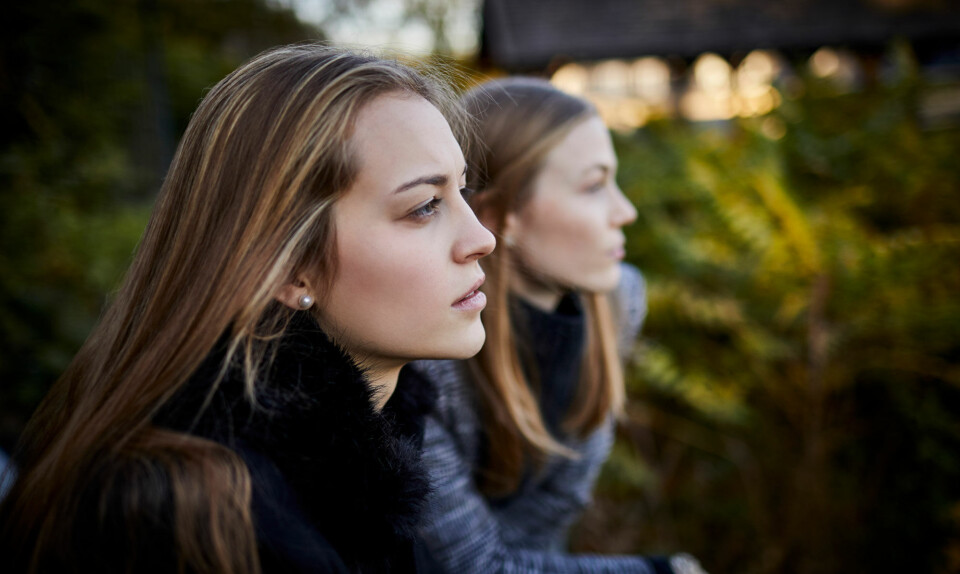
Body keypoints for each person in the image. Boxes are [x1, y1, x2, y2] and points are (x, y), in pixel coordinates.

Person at [0, 44, 495, 574]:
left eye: (463, 191)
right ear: (287, 266)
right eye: (424, 206)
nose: (481, 238)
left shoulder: (367, 447)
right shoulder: (193, 514)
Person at [414, 78, 704, 574]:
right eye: (594, 186)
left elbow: (556, 511)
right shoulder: (424, 353)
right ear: (498, 215)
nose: (625, 211)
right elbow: (467, 564)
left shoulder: (618, 300)